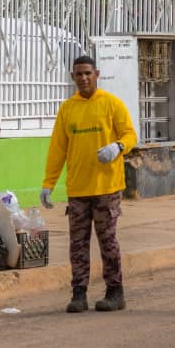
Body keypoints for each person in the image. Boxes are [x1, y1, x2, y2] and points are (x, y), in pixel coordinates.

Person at [40, 55, 137, 313]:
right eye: (79, 74)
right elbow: (58, 149)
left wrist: (118, 147)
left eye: (88, 73)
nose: (83, 78)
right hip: (78, 189)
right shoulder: (67, 109)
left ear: (97, 74)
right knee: (78, 244)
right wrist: (48, 183)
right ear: (72, 77)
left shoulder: (111, 104)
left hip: (107, 187)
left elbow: (130, 134)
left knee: (108, 242)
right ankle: (78, 294)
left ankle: (115, 292)